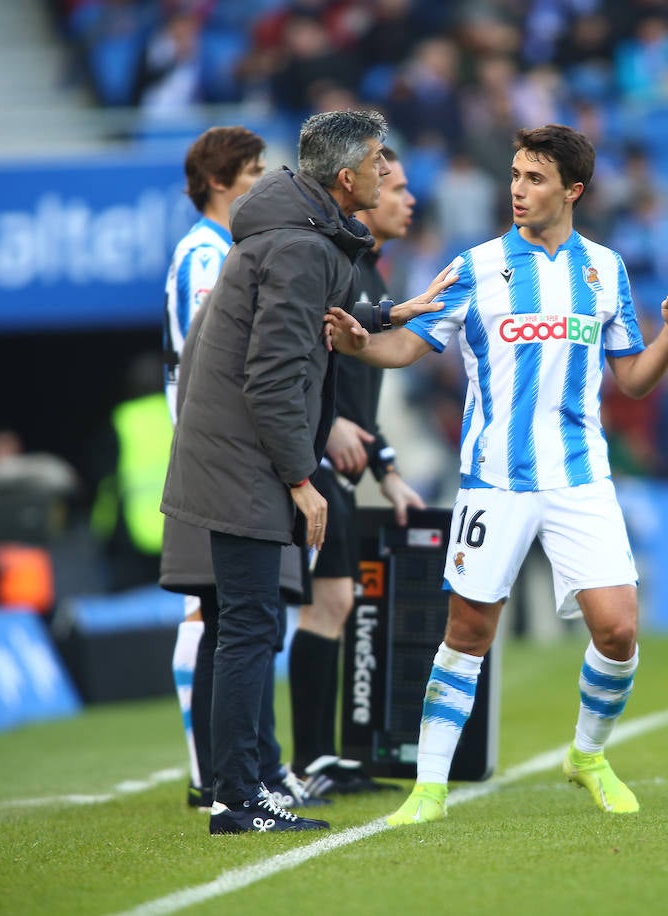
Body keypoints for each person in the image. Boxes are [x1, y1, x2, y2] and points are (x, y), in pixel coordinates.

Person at [325, 124, 668, 825]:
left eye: (534, 178)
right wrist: (358, 345)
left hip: (580, 477)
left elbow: (632, 378)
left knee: (619, 631)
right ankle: (428, 790)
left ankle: (587, 754)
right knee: (467, 633)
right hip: (494, 481)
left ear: (573, 190)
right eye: (516, 176)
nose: (518, 190)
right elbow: (408, 346)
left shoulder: (606, 270)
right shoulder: (477, 267)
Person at [160, 109, 454, 835]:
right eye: (380, 160)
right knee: (247, 625)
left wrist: (393, 314)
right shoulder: (299, 245)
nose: (389, 172)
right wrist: (302, 478)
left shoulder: (302, 235)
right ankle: (237, 797)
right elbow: (270, 379)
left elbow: (320, 323)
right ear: (346, 178)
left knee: (246, 623)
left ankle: (248, 784)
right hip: (243, 459)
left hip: (237, 453)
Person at [156, 126, 317, 815]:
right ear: (220, 181)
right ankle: (226, 781)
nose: (262, 181)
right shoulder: (208, 255)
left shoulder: (223, 248)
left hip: (221, 455)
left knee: (238, 620)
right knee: (227, 620)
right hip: (221, 458)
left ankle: (248, 775)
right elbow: (217, 359)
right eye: (252, 171)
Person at [286, 147, 421, 797]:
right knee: (326, 603)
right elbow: (302, 356)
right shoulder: (335, 264)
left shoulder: (370, 272)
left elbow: (358, 400)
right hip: (308, 462)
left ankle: (322, 756)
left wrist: (386, 468)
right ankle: (307, 761)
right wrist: (327, 424)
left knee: (335, 602)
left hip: (336, 462)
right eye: (395, 188)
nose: (408, 200)